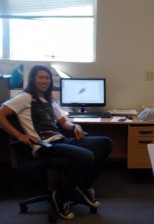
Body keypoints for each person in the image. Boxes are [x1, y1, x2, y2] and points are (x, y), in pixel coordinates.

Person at [0, 65, 113, 220]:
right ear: (33, 79)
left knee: (106, 143)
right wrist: (19, 135)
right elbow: (1, 114)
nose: (44, 81)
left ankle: (84, 186)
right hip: (44, 146)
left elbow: (63, 121)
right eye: (41, 77)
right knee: (87, 156)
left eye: (47, 78)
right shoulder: (25, 97)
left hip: (60, 140)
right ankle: (61, 198)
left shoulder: (49, 99)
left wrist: (75, 126)